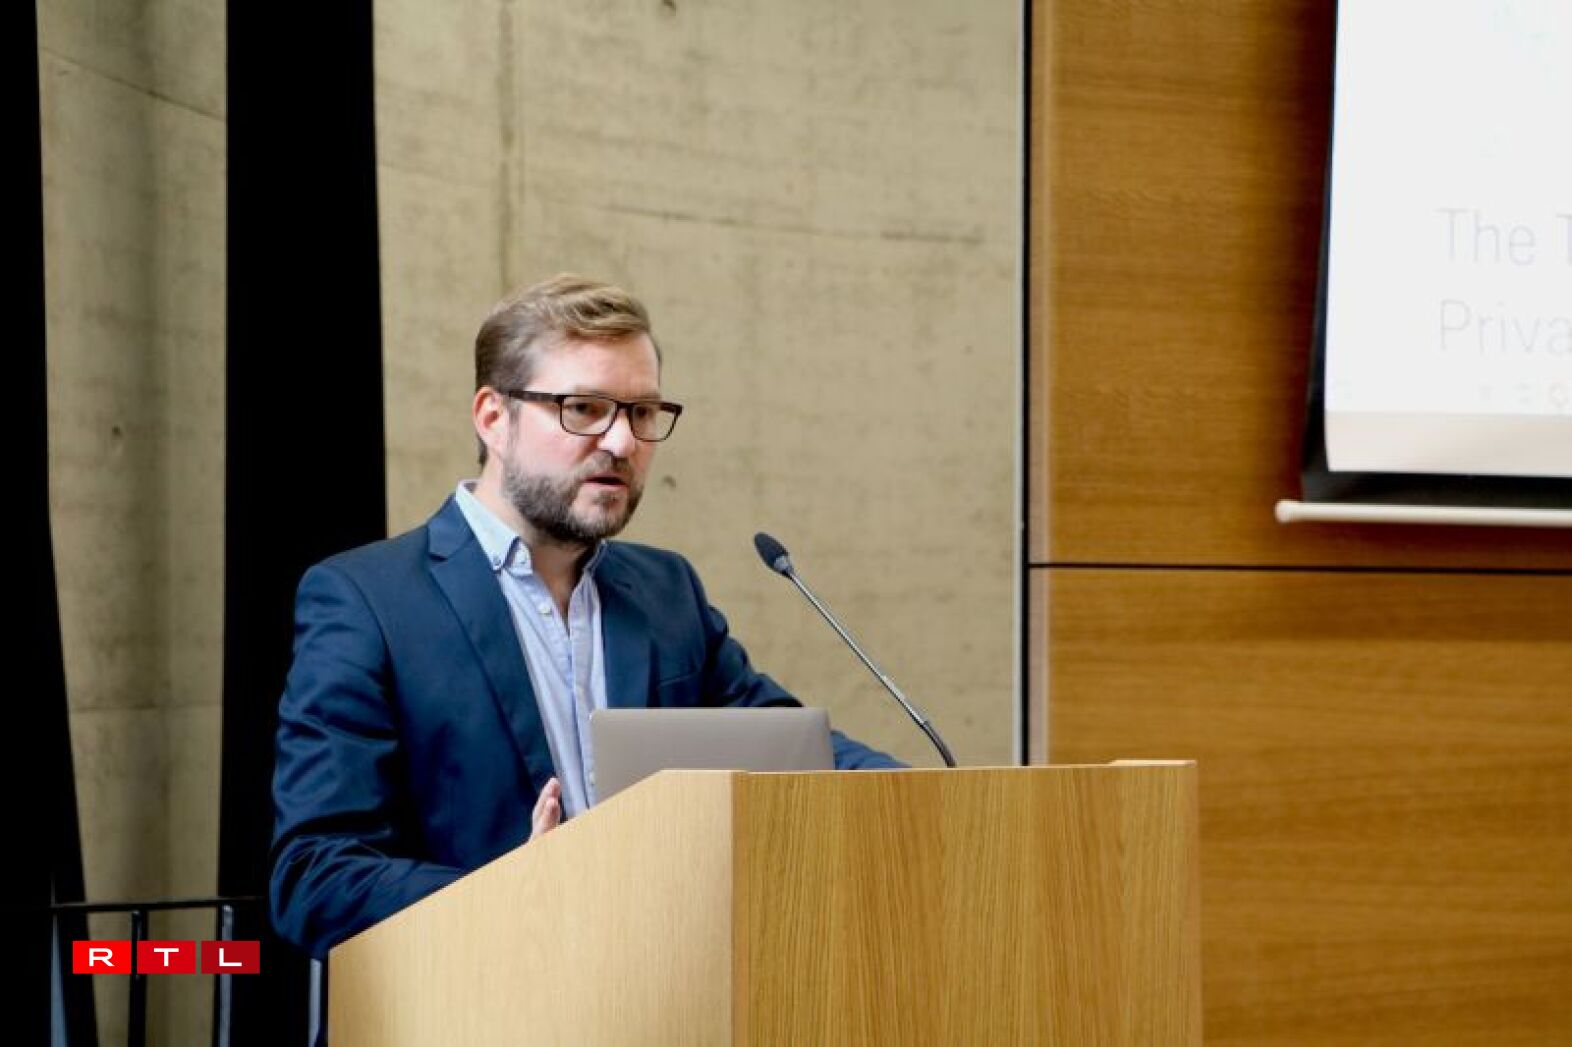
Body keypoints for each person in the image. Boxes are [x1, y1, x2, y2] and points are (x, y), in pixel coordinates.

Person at [269, 274, 902, 958]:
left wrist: (924, 795)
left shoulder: (666, 592)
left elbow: (790, 752)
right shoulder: (369, 600)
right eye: (585, 408)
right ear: (493, 418)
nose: (622, 442)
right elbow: (314, 876)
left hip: (663, 992)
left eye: (642, 412)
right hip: (484, 993)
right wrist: (517, 891)